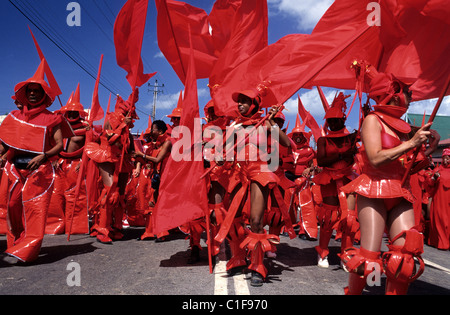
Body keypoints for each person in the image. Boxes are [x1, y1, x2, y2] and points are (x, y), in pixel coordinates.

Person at [340, 64, 436, 295]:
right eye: (407, 92)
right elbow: (374, 158)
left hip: (399, 192)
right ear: (393, 93)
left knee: (404, 258)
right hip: (373, 191)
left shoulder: (405, 128)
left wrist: (428, 147)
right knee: (369, 257)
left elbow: (409, 168)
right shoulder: (373, 120)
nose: (411, 97)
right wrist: (411, 144)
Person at [214, 86, 292, 286]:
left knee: (257, 221)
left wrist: (273, 122)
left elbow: (287, 143)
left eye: (244, 101)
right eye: (238, 101)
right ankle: (238, 258)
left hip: (261, 171)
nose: (240, 104)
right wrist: (222, 158)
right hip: (238, 172)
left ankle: (258, 266)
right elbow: (225, 151)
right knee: (232, 219)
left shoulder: (265, 124)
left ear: (255, 104)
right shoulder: (234, 127)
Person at [0, 59, 72, 262]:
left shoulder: (52, 119)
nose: (32, 93)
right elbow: (5, 144)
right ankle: (16, 244)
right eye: (30, 90)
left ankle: (29, 249)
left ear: (44, 95)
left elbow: (59, 145)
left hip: (39, 169)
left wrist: (44, 156)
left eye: (37, 91)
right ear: (25, 93)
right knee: (13, 205)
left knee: (35, 209)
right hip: (14, 169)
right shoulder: (14, 116)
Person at [313, 92, 358, 268]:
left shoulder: (352, 137)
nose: (332, 123)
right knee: (329, 218)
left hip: (348, 179)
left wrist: (368, 115)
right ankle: (322, 252)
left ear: (343, 120)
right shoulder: (323, 140)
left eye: (335, 120)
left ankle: (346, 255)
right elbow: (322, 160)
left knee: (350, 218)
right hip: (329, 180)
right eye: (329, 121)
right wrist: (342, 154)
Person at [85, 92, 137, 243]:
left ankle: (117, 227)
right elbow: (110, 139)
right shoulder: (111, 120)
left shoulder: (127, 127)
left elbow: (129, 146)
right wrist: (122, 125)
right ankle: (102, 229)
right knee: (109, 193)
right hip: (108, 156)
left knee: (120, 195)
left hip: (122, 159)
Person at [133, 120, 172, 241]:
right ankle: (150, 231)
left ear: (160, 131)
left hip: (164, 177)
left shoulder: (167, 143)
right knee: (151, 204)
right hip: (155, 177)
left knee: (160, 204)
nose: (150, 131)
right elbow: (149, 162)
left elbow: (157, 160)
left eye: (152, 129)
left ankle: (162, 232)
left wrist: (142, 155)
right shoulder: (154, 145)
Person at [284, 115, 318, 240]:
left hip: (302, 178)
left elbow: (314, 166)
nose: (298, 137)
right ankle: (286, 226)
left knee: (306, 204)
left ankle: (306, 230)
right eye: (295, 135)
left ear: (304, 137)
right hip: (288, 177)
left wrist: (309, 169)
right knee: (286, 203)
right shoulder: (288, 149)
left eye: (300, 135)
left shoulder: (310, 150)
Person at [427, 148, 450, 250]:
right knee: (440, 221)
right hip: (439, 201)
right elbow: (429, 185)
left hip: (448, 201)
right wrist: (434, 178)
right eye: (444, 158)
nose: (445, 161)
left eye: (448, 158)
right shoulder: (437, 170)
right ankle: (442, 243)